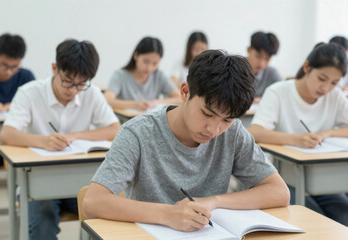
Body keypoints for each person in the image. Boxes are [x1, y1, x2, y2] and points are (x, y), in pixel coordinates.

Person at [83, 50, 290, 232]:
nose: (214, 129)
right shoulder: (137, 133)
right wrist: (168, 214)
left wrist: (213, 202)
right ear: (185, 92)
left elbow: (279, 192)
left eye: (226, 120)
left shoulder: (233, 132)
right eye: (207, 113)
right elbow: (93, 202)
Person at [0, 39, 120, 239]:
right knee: (42, 223)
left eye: (81, 84)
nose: (73, 90)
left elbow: (115, 129)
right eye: (68, 81)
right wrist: (44, 141)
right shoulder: (29, 92)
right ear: (55, 68)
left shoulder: (91, 94)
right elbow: (7, 134)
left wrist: (74, 136)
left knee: (106, 215)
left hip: (80, 180)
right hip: (39, 183)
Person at [248, 43, 348, 226]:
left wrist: (326, 133)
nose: (326, 88)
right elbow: (255, 132)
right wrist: (296, 140)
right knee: (315, 222)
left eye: (334, 82)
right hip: (282, 177)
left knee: (344, 218)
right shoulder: (278, 92)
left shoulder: (335, 96)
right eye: (322, 78)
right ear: (307, 67)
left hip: (321, 178)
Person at [0, 33, 34, 240]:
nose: (9, 72)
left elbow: (35, 107)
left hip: (20, 143)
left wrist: (9, 106)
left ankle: (27, 213)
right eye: (5, 65)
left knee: (30, 164)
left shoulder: (26, 77)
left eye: (14, 67)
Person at [104, 37, 181, 112]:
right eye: (146, 61)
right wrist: (134, 105)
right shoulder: (120, 75)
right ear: (136, 55)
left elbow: (180, 98)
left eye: (155, 63)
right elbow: (108, 99)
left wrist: (155, 103)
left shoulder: (159, 76)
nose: (149, 68)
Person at [246, 31, 282, 103]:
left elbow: (283, 94)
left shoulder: (272, 73)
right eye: (258, 56)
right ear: (249, 50)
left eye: (267, 59)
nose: (261, 63)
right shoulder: (234, 69)